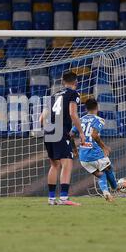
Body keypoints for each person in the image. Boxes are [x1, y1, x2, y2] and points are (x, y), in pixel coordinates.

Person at [40, 71, 85, 206]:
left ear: (63, 82)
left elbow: (41, 119)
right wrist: (81, 133)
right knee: (67, 163)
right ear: (76, 82)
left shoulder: (53, 95)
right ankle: (64, 198)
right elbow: (73, 113)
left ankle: (51, 198)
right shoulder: (73, 94)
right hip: (60, 131)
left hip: (49, 130)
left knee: (54, 165)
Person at [71, 98, 118, 202]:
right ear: (97, 107)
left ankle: (106, 192)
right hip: (95, 154)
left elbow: (71, 135)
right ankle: (116, 187)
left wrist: (74, 150)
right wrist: (104, 147)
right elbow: (94, 135)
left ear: (85, 108)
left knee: (101, 174)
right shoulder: (99, 120)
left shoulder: (80, 120)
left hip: (83, 158)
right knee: (109, 168)